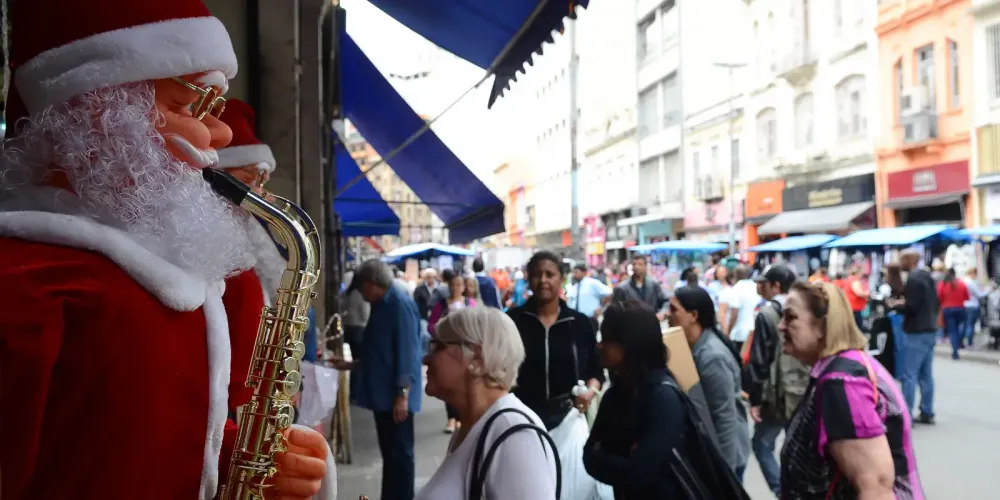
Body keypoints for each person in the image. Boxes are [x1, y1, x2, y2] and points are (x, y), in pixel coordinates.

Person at [0, 2, 335, 498]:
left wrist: (244, 458)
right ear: (96, 115)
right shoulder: (24, 284)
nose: (221, 137)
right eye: (189, 106)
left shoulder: (176, 276)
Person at [778, 282, 924, 499]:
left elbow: (875, 488)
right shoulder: (842, 369)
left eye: (791, 317)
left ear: (821, 326)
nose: (781, 326)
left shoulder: (842, 383)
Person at [416, 307, 557, 499]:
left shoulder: (512, 433)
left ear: (476, 356)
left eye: (438, 347)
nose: (426, 358)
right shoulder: (474, 425)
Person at [330, 259, 422, 500]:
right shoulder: (383, 304)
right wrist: (351, 365)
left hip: (395, 397)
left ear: (372, 284)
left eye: (362, 288)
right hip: (385, 395)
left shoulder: (399, 303)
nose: (361, 294)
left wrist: (402, 394)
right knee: (391, 455)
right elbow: (379, 352)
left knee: (400, 456)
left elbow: (407, 352)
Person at [583, 301, 690, 497]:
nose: (599, 346)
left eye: (606, 339)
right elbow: (588, 457)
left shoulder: (663, 398)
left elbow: (637, 474)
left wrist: (608, 453)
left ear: (627, 346)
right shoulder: (615, 394)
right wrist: (622, 456)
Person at [669, 286, 751, 478]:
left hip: (727, 456)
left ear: (693, 315)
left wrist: (724, 473)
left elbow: (724, 416)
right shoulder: (696, 346)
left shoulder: (712, 356)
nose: (668, 315)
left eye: (675, 310)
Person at [745, 264, 806, 497]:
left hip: (776, 392)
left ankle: (782, 491)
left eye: (765, 283)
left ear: (776, 285)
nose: (762, 287)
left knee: (761, 443)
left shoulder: (768, 314)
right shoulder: (803, 308)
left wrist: (755, 399)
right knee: (795, 444)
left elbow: (759, 360)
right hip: (802, 388)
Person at [429, 272, 475, 433]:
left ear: (463, 287)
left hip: (465, 350)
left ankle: (461, 417)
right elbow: (431, 325)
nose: (455, 288)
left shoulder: (470, 304)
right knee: (448, 383)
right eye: (452, 285)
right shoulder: (441, 305)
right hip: (446, 349)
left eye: (458, 285)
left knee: (464, 385)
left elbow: (477, 324)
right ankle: (451, 419)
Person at [899, 249, 940, 424]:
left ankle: (906, 413)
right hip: (930, 328)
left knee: (909, 374)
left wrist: (899, 305)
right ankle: (927, 410)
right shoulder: (927, 276)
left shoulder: (913, 279)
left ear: (908, 260)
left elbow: (912, 306)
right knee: (926, 374)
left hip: (916, 330)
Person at [612, 254, 669, 321]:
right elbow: (615, 310)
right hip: (631, 327)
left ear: (645, 266)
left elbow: (665, 301)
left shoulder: (654, 285)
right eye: (634, 264)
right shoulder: (622, 288)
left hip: (652, 325)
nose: (636, 267)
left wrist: (662, 312)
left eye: (640, 264)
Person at [566, 263, 613, 333]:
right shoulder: (574, 287)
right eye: (573, 272)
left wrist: (601, 308)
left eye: (576, 272)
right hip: (575, 320)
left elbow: (609, 293)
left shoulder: (592, 283)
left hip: (589, 319)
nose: (574, 274)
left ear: (583, 272)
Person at [724, 265, 760, 353]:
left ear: (735, 275)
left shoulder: (736, 289)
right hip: (755, 331)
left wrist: (728, 332)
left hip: (740, 333)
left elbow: (734, 314)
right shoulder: (756, 287)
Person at [937, 267, 970, 360]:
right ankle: (959, 341)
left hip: (947, 309)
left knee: (952, 331)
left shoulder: (943, 284)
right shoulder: (961, 283)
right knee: (961, 327)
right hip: (960, 308)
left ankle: (955, 351)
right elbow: (967, 297)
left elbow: (939, 297)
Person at [961, 267, 990, 348]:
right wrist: (988, 290)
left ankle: (961, 341)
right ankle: (969, 342)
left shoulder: (962, 281)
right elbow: (980, 294)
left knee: (964, 324)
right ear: (973, 273)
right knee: (970, 325)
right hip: (972, 305)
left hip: (964, 305)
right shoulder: (971, 283)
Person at [845, 266, 870, 332]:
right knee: (857, 328)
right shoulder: (855, 280)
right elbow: (858, 293)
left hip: (850, 307)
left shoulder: (849, 279)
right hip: (854, 308)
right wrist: (867, 293)